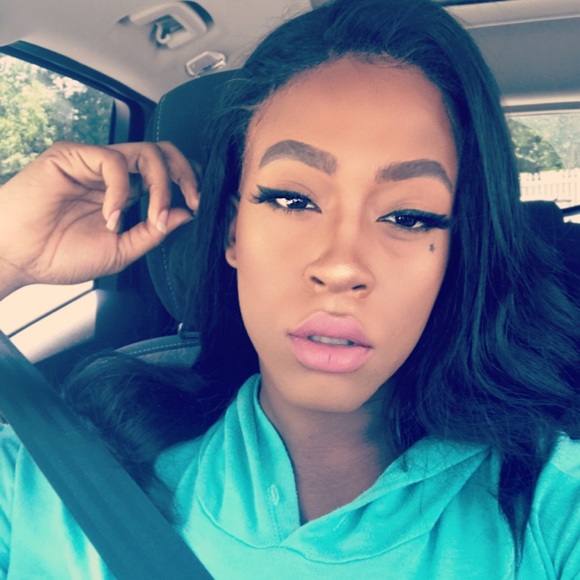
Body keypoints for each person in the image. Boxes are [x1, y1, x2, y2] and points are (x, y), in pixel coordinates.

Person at [0, 0, 579, 577]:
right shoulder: (54, 479)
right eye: (292, 200)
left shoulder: (548, 512)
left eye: (408, 216)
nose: (341, 267)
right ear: (233, 232)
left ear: (456, 253)